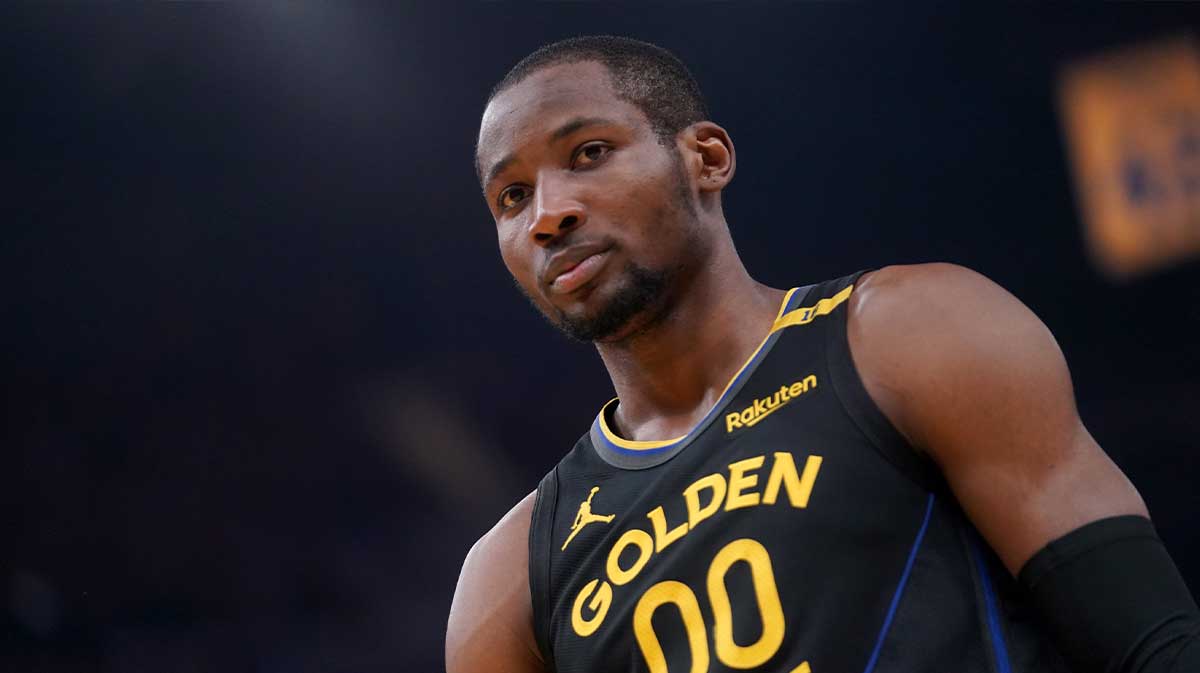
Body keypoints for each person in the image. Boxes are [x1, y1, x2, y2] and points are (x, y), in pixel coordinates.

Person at [446, 35, 1198, 673]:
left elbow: (1150, 637)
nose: (549, 214)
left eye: (589, 152)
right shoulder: (509, 577)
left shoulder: (906, 331)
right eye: (511, 197)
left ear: (704, 158)